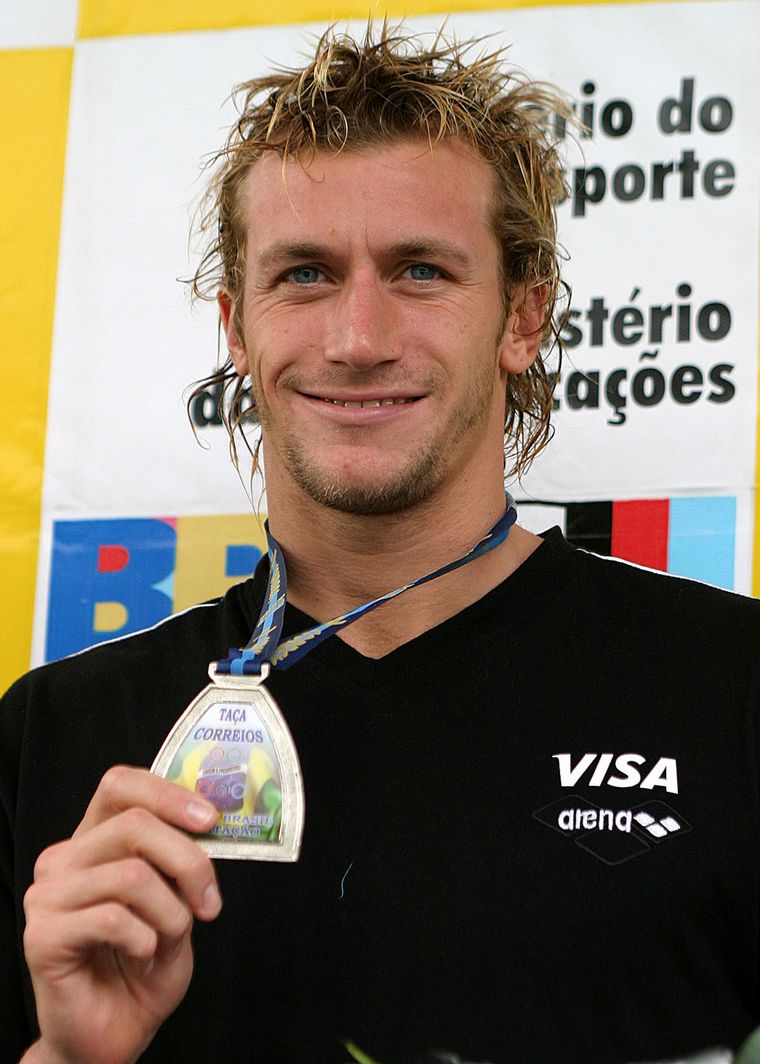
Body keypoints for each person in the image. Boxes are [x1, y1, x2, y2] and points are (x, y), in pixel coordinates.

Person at [3, 24, 760, 1064]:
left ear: (524, 317)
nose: (357, 339)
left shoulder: (735, 688)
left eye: (420, 271)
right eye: (305, 274)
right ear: (237, 326)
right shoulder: (54, 734)